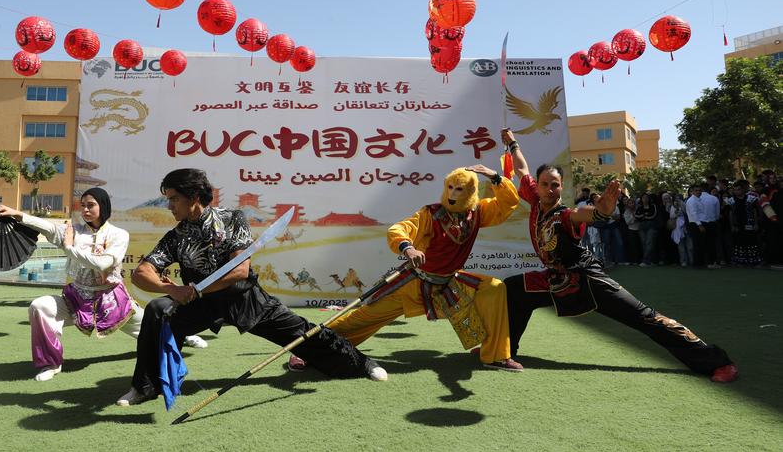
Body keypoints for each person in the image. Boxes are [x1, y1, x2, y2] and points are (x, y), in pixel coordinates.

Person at [116, 169, 387, 408]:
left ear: (194, 196)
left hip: (244, 298)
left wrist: (197, 289)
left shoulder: (233, 218)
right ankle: (145, 387)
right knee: (157, 311)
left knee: (300, 333)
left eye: (173, 198)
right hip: (200, 304)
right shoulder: (176, 236)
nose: (169, 205)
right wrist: (173, 291)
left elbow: (239, 271)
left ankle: (360, 363)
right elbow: (142, 274)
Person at [500, 129, 738, 383]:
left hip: (588, 279)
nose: (549, 189)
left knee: (644, 317)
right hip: (557, 281)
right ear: (538, 187)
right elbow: (522, 168)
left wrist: (602, 211)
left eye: (555, 185)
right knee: (514, 289)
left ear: (561, 188)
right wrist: (512, 143)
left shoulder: (566, 214)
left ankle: (716, 361)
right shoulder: (535, 200)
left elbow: (589, 215)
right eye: (545, 184)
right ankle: (503, 351)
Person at [308, 165, 523, 372]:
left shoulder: (478, 212)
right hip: (414, 284)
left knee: (494, 288)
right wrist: (408, 248)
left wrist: (495, 177)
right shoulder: (431, 213)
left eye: (459, 189)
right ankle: (308, 347)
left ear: (470, 191)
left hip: (449, 283)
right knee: (361, 318)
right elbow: (399, 229)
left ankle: (495, 355)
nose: (452, 194)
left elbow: (508, 204)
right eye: (450, 187)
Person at [0, 188, 205, 382]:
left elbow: (103, 262)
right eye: (83, 205)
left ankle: (185, 336)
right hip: (76, 299)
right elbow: (48, 226)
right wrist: (17, 214)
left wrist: (69, 248)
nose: (85, 209)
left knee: (153, 329)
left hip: (112, 300)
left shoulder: (119, 235)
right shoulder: (74, 231)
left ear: (103, 207)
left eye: (91, 205)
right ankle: (50, 364)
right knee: (40, 306)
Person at [726, 180, 764, 267]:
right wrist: (732, 225)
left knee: (752, 242)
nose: (737, 191)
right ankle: (739, 261)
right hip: (737, 226)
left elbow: (755, 211)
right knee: (738, 243)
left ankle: (753, 261)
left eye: (738, 189)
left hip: (749, 224)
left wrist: (756, 224)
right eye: (735, 190)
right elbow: (730, 214)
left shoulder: (751, 199)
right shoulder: (731, 200)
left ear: (743, 190)